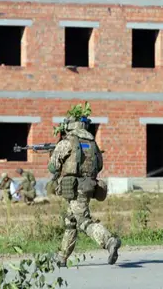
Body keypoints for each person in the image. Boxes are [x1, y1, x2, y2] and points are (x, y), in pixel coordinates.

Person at [48, 103, 121, 266]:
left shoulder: (68, 142)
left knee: (83, 221)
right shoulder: (92, 142)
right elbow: (99, 165)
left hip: (74, 188)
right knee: (71, 221)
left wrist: (53, 155)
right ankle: (62, 256)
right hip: (88, 186)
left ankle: (109, 241)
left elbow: (52, 167)